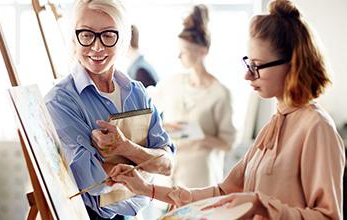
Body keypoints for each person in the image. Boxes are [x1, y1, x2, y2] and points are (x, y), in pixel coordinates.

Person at [108, 0, 345, 219]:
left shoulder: (317, 128)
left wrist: (263, 206)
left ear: (292, 64)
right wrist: (146, 188)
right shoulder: (274, 125)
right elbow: (222, 192)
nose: (247, 74)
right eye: (247, 63)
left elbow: (328, 216)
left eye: (257, 66)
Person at [44, 0, 175, 219]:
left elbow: (167, 165)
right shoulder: (60, 101)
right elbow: (91, 180)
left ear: (123, 39)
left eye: (108, 35)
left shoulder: (137, 93)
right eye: (86, 34)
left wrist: (125, 148)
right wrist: (145, 165)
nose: (97, 47)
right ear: (73, 40)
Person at [152, 4, 236, 188]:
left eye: (184, 51)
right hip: (168, 175)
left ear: (202, 51)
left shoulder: (220, 94)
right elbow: (150, 112)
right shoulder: (172, 82)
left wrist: (200, 137)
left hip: (200, 179)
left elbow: (228, 143)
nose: (178, 56)